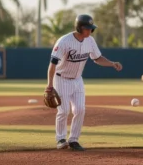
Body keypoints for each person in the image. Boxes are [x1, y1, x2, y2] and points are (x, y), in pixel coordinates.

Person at [46, 14, 123, 151]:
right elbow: (52, 64)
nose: (90, 31)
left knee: (80, 109)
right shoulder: (64, 41)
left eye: (91, 29)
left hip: (77, 80)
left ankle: (74, 140)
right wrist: (49, 86)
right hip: (61, 78)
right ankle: (61, 139)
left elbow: (97, 58)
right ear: (79, 28)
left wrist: (112, 63)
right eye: (87, 28)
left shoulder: (90, 41)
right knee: (63, 111)